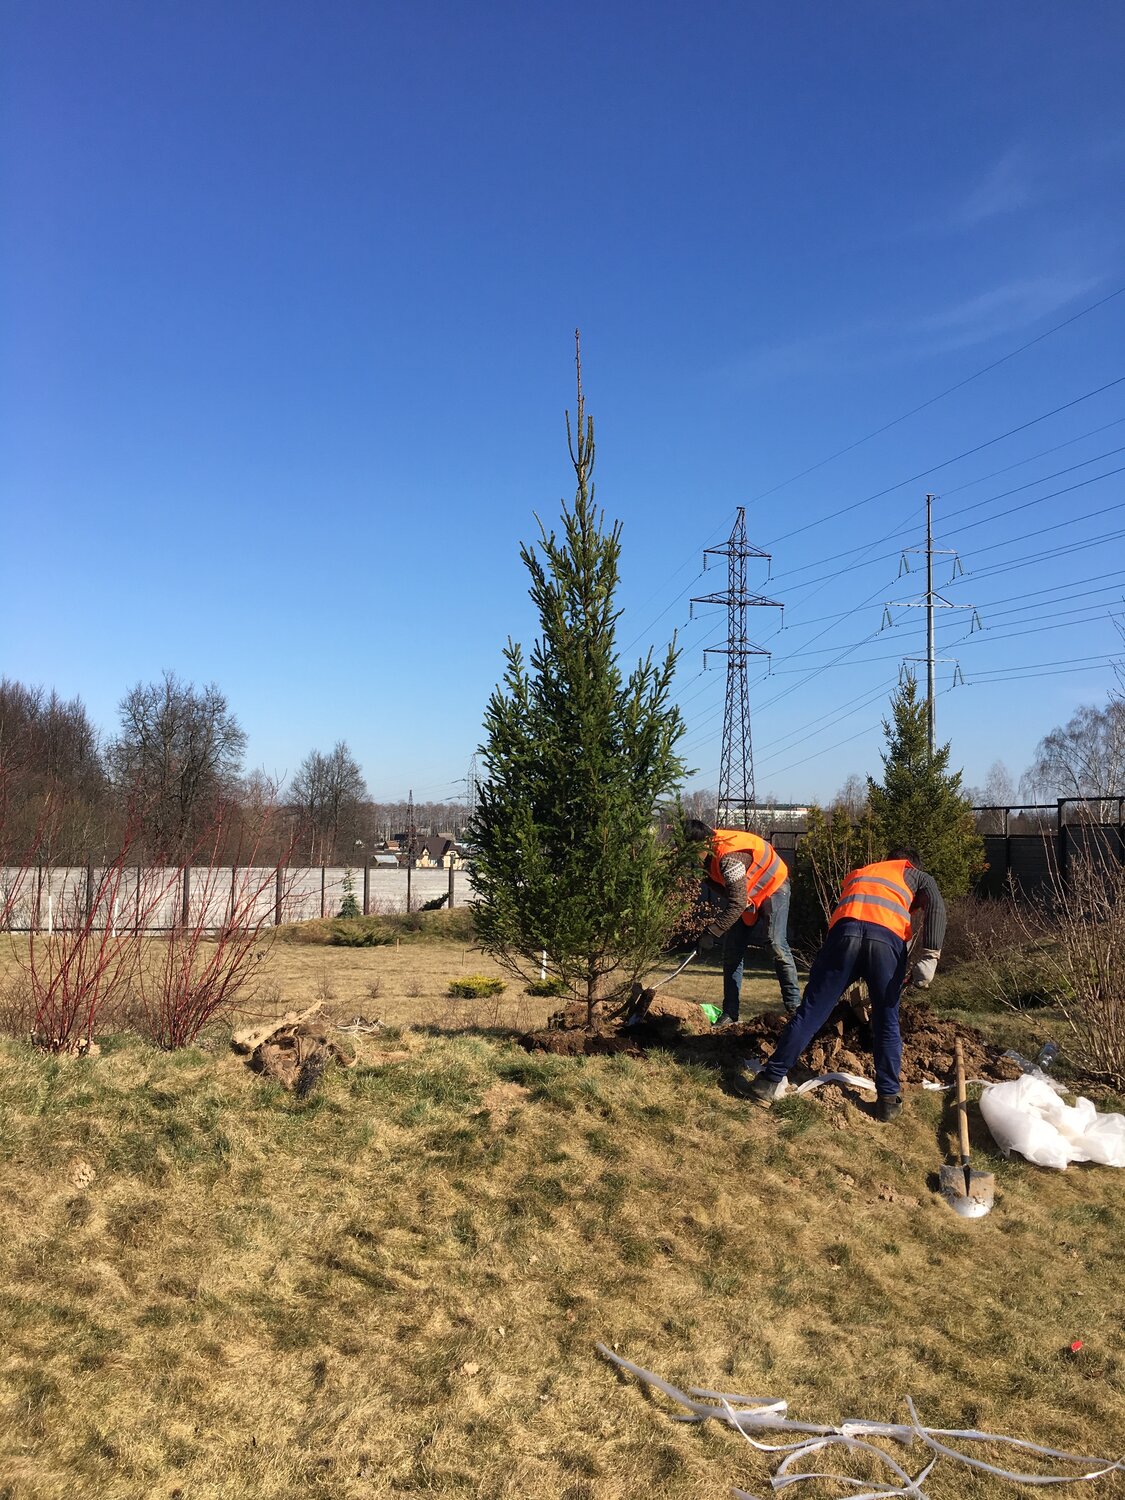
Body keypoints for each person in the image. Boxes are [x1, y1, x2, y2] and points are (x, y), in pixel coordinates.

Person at [741, 846, 945, 1121]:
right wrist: (930, 956)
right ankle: (887, 1102)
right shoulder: (917, 875)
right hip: (885, 944)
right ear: (911, 864)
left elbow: (867, 912)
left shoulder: (863, 873)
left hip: (842, 938)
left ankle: (767, 1082)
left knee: (811, 1011)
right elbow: (936, 906)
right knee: (886, 1020)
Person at [686, 819, 802, 1020]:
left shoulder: (729, 859)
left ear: (701, 844)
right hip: (748, 893)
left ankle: (795, 1009)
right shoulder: (704, 860)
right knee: (732, 950)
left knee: (775, 943)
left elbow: (737, 903)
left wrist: (713, 931)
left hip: (773, 885)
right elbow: (727, 892)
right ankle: (730, 1013)